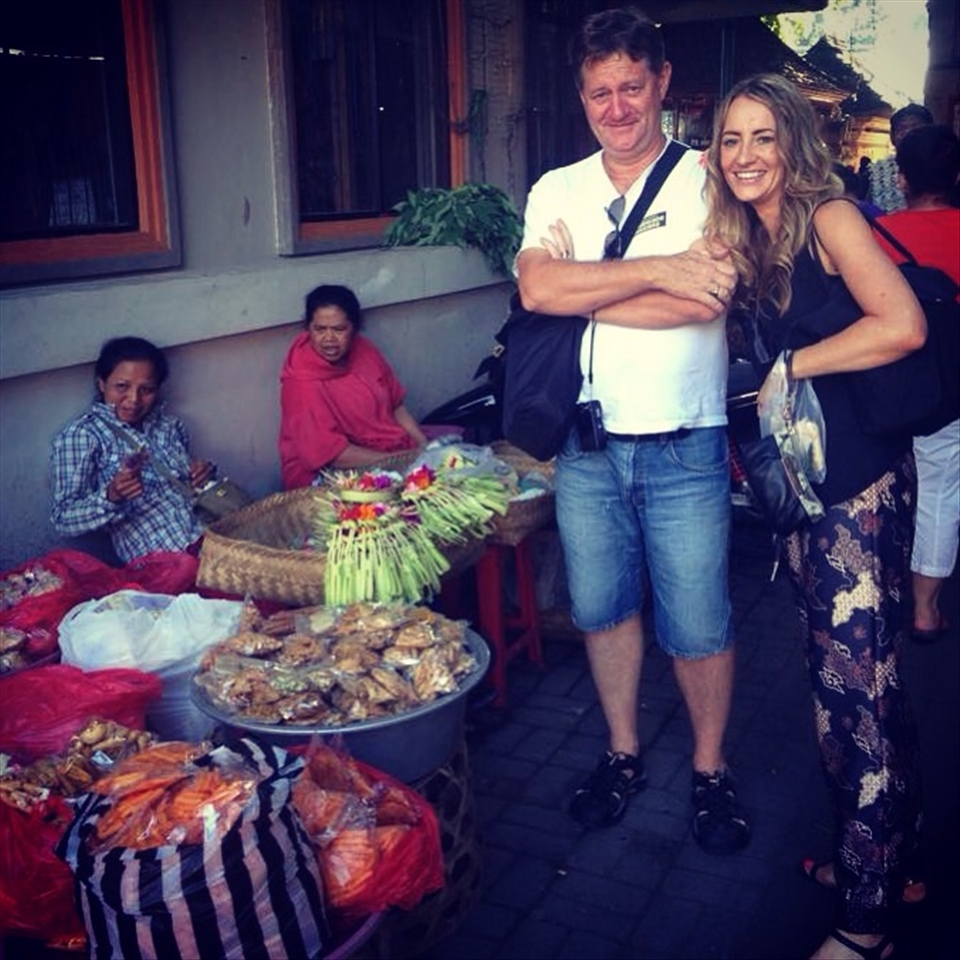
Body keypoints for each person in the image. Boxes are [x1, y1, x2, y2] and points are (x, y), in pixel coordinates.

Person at [516, 7, 749, 854]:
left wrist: (594, 283)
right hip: (585, 447)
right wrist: (655, 270)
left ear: (659, 84)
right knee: (603, 611)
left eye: (630, 87)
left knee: (698, 620)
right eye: (599, 91)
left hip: (684, 440)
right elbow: (539, 292)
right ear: (583, 96)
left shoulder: (707, 181)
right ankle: (621, 752)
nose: (616, 107)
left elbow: (704, 302)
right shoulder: (557, 189)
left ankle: (711, 768)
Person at [704, 73, 926, 960]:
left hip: (857, 495)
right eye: (730, 140)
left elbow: (902, 323)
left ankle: (868, 924)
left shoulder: (831, 217)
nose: (746, 155)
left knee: (855, 698)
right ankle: (883, 857)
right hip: (809, 496)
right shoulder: (753, 237)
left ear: (793, 141)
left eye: (762, 136)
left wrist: (795, 367)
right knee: (858, 691)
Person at [876, 124, 960, 641]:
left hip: (885, 386)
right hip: (949, 390)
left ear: (901, 178)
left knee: (882, 488)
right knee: (939, 491)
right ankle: (925, 609)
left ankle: (877, 590)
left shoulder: (875, 236)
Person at [51, 337, 212, 563]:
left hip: (210, 539)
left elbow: (188, 489)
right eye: (122, 386)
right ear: (101, 383)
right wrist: (111, 496)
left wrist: (201, 475)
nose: (133, 399)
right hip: (164, 563)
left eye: (146, 389)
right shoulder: (83, 436)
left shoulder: (169, 426)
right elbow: (64, 519)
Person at [278, 284, 428, 489]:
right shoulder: (301, 381)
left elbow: (396, 406)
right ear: (308, 328)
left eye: (339, 329)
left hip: (387, 454)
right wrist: (402, 459)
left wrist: (424, 446)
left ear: (354, 328)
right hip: (328, 472)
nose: (329, 339)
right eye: (320, 329)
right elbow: (332, 454)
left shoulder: (365, 351)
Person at [866, 103, 933, 213]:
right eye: (902, 128)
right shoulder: (876, 173)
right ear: (892, 137)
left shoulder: (942, 166)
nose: (908, 133)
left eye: (916, 127)